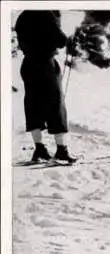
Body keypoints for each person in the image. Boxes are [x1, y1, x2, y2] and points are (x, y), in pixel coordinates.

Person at [15, 10, 76, 163]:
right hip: (45, 64)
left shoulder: (23, 16)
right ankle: (61, 150)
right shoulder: (46, 14)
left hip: (28, 64)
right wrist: (70, 39)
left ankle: (40, 149)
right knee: (56, 103)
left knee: (33, 104)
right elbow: (60, 40)